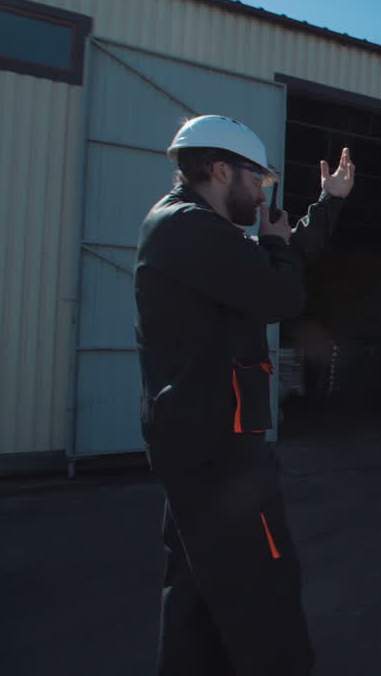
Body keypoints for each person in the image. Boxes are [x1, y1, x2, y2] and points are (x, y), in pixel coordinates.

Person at [134, 114, 355, 675]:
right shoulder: (186, 227)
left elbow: (277, 258)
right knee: (265, 590)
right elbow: (279, 292)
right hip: (220, 454)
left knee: (195, 596)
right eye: (257, 181)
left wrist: (327, 205)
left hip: (202, 443)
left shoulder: (195, 229)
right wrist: (279, 248)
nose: (261, 195)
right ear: (219, 168)